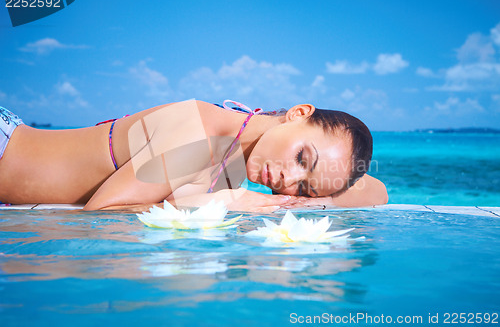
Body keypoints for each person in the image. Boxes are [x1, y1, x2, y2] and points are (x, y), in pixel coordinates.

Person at [0, 100, 388, 212]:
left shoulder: (235, 148)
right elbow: (100, 212)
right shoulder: (204, 137)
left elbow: (377, 191)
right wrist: (226, 201)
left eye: (303, 186)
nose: (288, 179)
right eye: (302, 158)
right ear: (299, 113)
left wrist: (306, 200)